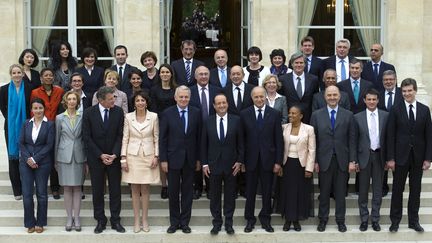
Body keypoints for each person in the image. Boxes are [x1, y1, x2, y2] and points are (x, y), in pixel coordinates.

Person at [387, 78, 432, 233]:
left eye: (409, 91)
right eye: (404, 91)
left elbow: (429, 136)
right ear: (401, 92)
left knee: (416, 190)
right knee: (397, 190)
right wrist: (391, 158)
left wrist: (428, 158)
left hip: (418, 158)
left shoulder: (425, 110)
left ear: (415, 91)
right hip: (400, 157)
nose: (407, 94)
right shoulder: (395, 109)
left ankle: (414, 221)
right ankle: (395, 221)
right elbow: (390, 135)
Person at [310, 85, 356, 233]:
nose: (332, 98)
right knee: (323, 193)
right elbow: (313, 140)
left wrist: (352, 161)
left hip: (342, 160)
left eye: (335, 95)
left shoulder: (348, 115)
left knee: (340, 193)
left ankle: (340, 220)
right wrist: (315, 161)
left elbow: (352, 139)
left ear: (339, 96)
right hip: (324, 160)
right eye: (329, 95)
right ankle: (322, 220)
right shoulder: (316, 115)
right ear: (325, 97)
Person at [82, 86, 125, 234]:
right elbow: (86, 137)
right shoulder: (89, 113)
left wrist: (114, 154)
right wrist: (100, 155)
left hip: (114, 158)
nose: (114, 100)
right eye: (110, 98)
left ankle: (115, 220)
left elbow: (121, 135)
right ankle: (100, 220)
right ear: (100, 100)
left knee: (115, 190)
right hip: (96, 158)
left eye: (114, 97)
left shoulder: (119, 112)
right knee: (98, 190)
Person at [159, 85, 202, 234]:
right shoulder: (167, 113)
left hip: (190, 159)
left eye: (186, 97)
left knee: (187, 192)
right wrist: (163, 159)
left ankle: (185, 222)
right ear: (175, 97)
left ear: (190, 98)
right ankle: (174, 222)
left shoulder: (196, 113)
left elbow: (199, 138)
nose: (184, 99)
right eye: (181, 97)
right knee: (173, 192)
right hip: (172, 159)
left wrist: (198, 159)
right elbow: (162, 139)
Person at [241, 86, 283, 233]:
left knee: (266, 192)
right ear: (252, 98)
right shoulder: (244, 114)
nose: (259, 99)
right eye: (256, 97)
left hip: (269, 160)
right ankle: (250, 220)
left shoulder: (275, 114)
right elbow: (242, 140)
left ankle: (266, 219)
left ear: (265, 97)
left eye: (261, 96)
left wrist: (278, 162)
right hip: (250, 161)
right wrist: (242, 161)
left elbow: (279, 140)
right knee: (250, 192)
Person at [201, 93, 243, 235]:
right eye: (218, 103)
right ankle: (217, 223)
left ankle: (229, 223)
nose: (221, 105)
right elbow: (203, 145)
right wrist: (205, 164)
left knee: (230, 196)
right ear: (214, 106)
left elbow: (241, 143)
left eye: (224, 102)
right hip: (213, 165)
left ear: (227, 104)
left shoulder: (236, 120)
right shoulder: (207, 121)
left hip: (232, 165)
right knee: (215, 196)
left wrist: (239, 161)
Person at [121, 91, 160, 233]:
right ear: (134, 103)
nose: (140, 103)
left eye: (143, 100)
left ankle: (145, 220)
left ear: (146, 102)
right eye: (138, 100)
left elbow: (156, 138)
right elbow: (125, 138)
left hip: (148, 157)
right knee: (134, 189)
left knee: (145, 189)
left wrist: (156, 156)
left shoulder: (154, 116)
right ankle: (136, 220)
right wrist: (123, 158)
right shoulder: (128, 117)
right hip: (132, 157)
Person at [353, 89, 388, 232]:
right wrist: (354, 160)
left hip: (379, 156)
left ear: (378, 100)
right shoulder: (357, 117)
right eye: (369, 99)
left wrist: (389, 158)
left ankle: (375, 219)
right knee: (363, 191)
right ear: (364, 101)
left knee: (378, 190)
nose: (372, 102)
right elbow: (353, 140)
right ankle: (364, 219)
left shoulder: (386, 116)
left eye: (374, 99)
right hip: (363, 157)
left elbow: (389, 138)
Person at [19, 98, 55, 233]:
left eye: (40, 108)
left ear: (44, 109)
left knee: (41, 194)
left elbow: (49, 145)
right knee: (27, 194)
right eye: (35, 108)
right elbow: (21, 143)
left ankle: (40, 222)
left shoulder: (50, 125)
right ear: (31, 110)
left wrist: (35, 159)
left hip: (43, 163)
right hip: (25, 163)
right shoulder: (25, 124)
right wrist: (28, 158)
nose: (38, 110)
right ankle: (30, 223)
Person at [279, 105, 315, 232]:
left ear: (301, 116)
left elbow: (312, 150)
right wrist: (279, 164)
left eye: (294, 114)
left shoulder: (309, 129)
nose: (291, 115)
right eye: (290, 113)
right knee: (287, 192)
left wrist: (309, 168)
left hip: (301, 165)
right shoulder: (284, 127)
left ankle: (296, 220)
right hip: (287, 164)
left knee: (299, 192)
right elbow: (280, 148)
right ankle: (288, 219)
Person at [54, 91, 86, 232]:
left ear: (77, 101)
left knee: (78, 187)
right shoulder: (59, 118)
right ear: (65, 102)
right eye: (69, 99)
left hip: (79, 155)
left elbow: (85, 138)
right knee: (66, 188)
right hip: (64, 156)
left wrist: (86, 159)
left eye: (74, 99)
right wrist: (55, 159)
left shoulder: (83, 116)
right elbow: (56, 139)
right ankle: (69, 217)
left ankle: (77, 217)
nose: (72, 101)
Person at [30, 67, 64, 199]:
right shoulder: (35, 92)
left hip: (56, 127)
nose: (48, 77)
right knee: (42, 157)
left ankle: (55, 188)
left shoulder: (59, 91)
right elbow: (32, 110)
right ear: (41, 78)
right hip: (41, 127)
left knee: (54, 156)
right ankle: (41, 187)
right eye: (46, 75)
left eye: (51, 75)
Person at [0, 64, 32, 200]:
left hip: (27, 126)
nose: (17, 75)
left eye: (19, 72)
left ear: (23, 74)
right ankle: (17, 191)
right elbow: (2, 107)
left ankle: (28, 187)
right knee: (13, 158)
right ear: (11, 74)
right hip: (11, 127)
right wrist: (11, 118)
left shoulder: (30, 89)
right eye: (14, 72)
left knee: (26, 156)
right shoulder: (3, 90)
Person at [150, 64, 177, 199]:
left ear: (171, 74)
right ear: (159, 74)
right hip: (160, 124)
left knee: (173, 154)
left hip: (175, 126)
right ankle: (164, 185)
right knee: (162, 155)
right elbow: (153, 109)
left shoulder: (176, 89)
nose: (165, 74)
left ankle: (174, 184)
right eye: (162, 72)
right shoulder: (154, 90)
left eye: (167, 72)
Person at [378, 70, 403, 197]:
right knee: (383, 161)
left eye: (391, 79)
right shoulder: (378, 95)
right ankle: (383, 187)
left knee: (397, 162)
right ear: (382, 81)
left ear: (395, 80)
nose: (388, 82)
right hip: (382, 134)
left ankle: (398, 187)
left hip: (399, 135)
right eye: (386, 80)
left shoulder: (402, 94)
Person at [279, 52, 319, 124]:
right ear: (292, 64)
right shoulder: (283, 79)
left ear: (305, 64)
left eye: (301, 63)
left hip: (308, 118)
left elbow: (315, 98)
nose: (299, 65)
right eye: (296, 63)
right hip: (290, 118)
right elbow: (281, 99)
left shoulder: (313, 79)